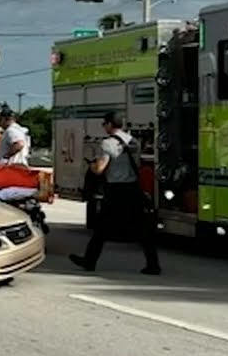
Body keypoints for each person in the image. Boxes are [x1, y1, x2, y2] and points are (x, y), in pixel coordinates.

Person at [69, 111, 161, 275]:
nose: (104, 127)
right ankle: (153, 264)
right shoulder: (133, 142)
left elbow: (99, 169)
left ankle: (89, 261)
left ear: (110, 125)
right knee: (143, 229)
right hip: (133, 188)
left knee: (102, 228)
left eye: (104, 124)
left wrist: (91, 165)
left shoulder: (107, 144)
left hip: (116, 190)